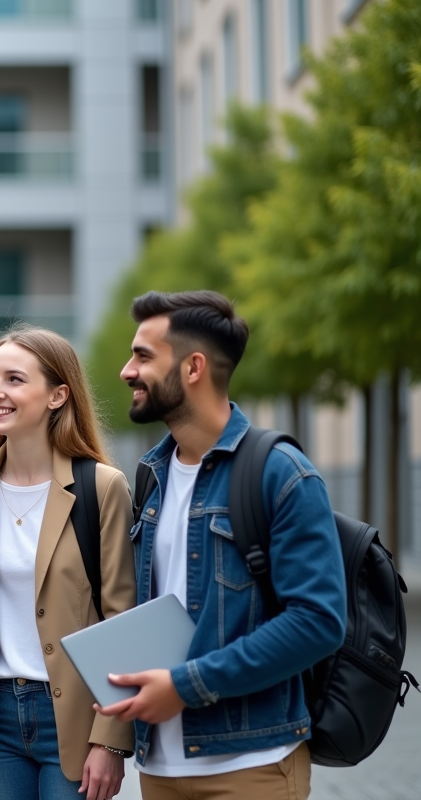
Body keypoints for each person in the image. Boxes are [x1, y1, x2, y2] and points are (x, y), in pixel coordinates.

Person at [98, 290, 346, 799]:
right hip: (161, 768)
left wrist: (186, 687)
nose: (126, 371)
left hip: (251, 765)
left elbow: (318, 621)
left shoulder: (281, 473)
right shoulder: (151, 477)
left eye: (143, 356)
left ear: (193, 367)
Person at [0, 324, 136, 800]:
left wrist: (111, 740)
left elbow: (123, 617)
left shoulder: (101, 487)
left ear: (57, 395)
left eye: (14, 379)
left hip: (75, 717)